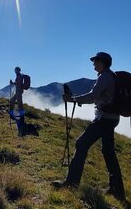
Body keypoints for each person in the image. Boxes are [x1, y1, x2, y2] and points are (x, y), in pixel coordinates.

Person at [52, 52, 126, 201]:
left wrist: (73, 99)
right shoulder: (111, 76)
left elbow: (93, 96)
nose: (93, 65)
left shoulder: (104, 77)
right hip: (111, 119)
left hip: (103, 119)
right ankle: (117, 190)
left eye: (96, 62)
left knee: (81, 143)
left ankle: (71, 183)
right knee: (108, 152)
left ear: (103, 62)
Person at [9, 66, 25, 136]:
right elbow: (18, 83)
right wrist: (13, 83)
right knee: (13, 101)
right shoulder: (19, 75)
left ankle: (21, 117)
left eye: (15, 70)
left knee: (19, 104)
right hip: (18, 91)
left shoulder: (19, 76)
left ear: (17, 70)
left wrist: (12, 83)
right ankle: (13, 114)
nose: (15, 71)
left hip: (19, 92)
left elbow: (18, 83)